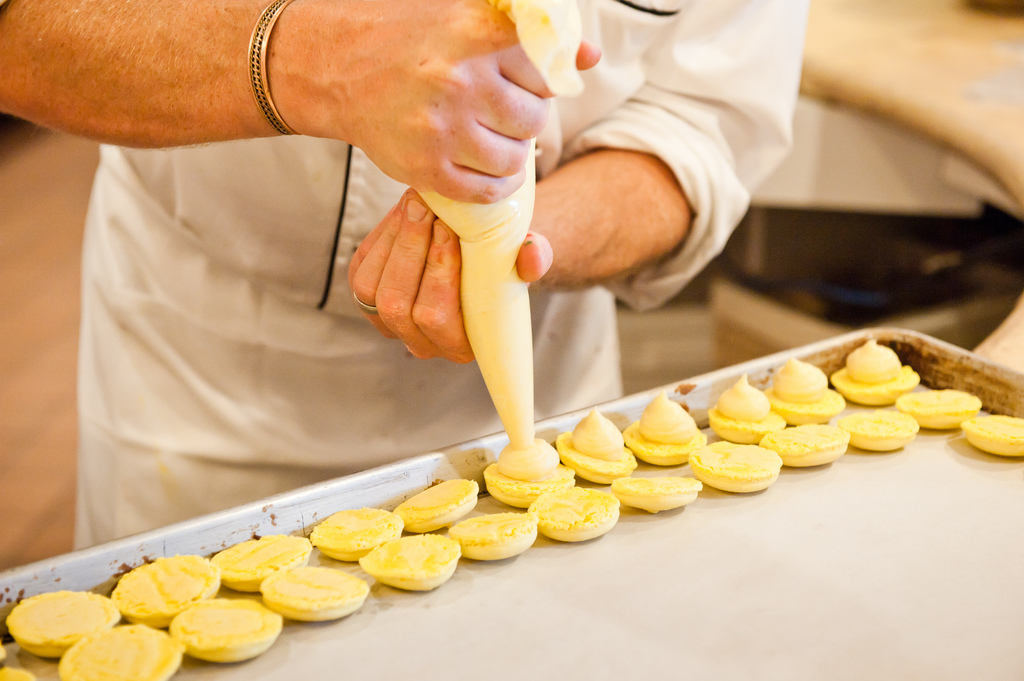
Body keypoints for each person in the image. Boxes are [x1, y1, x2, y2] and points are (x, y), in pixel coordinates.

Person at [0, 0, 809, 545]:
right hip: (201, 391)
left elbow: (706, 116)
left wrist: (510, 246)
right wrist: (304, 62)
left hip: (540, 391)